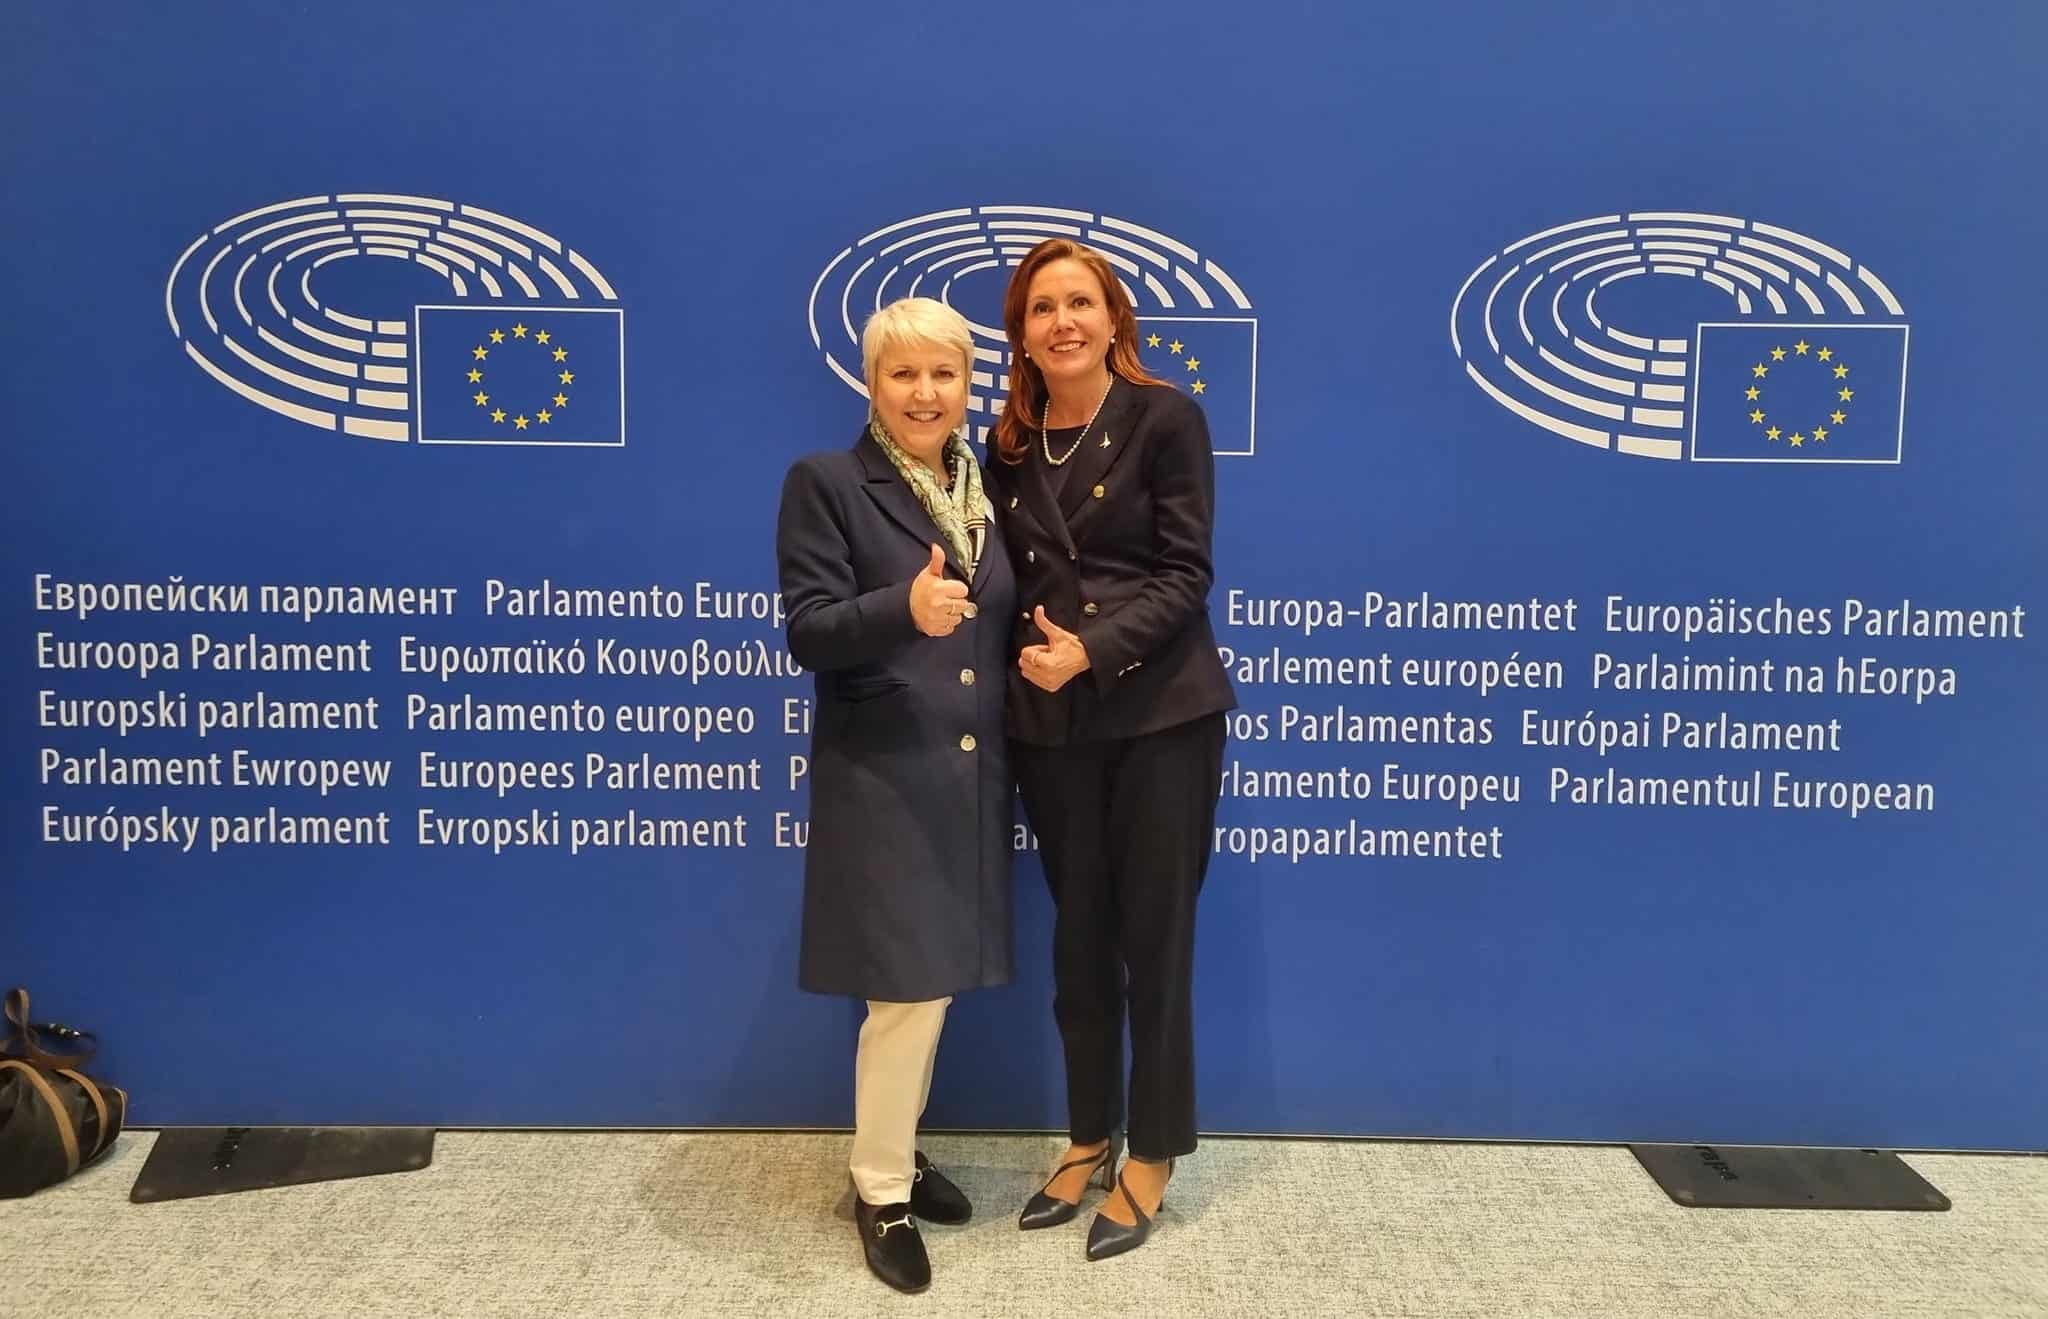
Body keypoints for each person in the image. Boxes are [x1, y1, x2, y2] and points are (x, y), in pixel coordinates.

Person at [985, 239, 1235, 1260]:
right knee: (1078, 941)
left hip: (1160, 716)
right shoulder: (1005, 447)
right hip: (1052, 726)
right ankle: (1089, 1135)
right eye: (1041, 307)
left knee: (1155, 941)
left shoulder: (1166, 418)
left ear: (1113, 319)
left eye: (1079, 302)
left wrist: (1090, 649)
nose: (1062, 322)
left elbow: (1185, 574)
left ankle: (1155, 1152)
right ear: (1020, 334)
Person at [775, 296, 1017, 1294]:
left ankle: (899, 1150)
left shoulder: (983, 484)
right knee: (905, 992)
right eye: (902, 373)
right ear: (870, 383)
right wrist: (900, 607)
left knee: (932, 984)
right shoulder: (827, 482)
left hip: (968, 774)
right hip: (883, 773)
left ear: (968, 384)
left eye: (943, 373)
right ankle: (880, 1189)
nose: (925, 392)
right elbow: (809, 628)